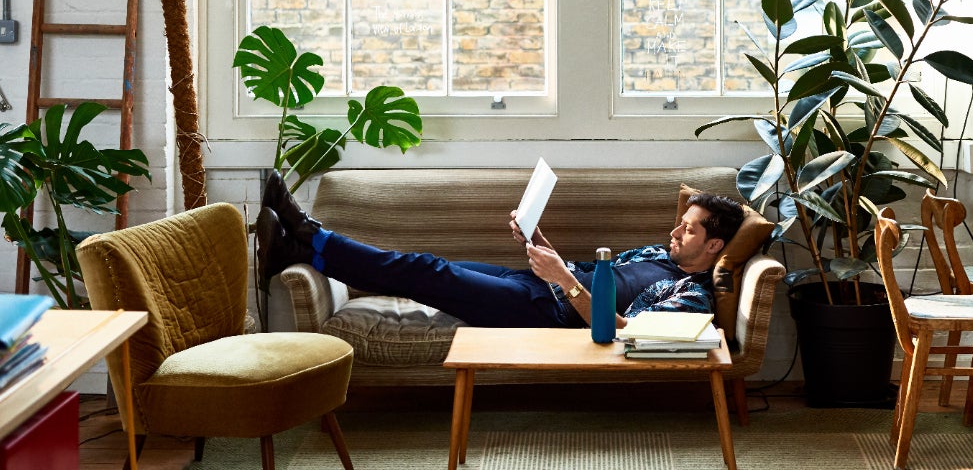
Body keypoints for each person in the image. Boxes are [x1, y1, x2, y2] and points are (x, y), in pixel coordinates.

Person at [255, 172, 744, 330]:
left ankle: (311, 236)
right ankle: (299, 252)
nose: (676, 232)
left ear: (715, 245)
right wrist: (537, 242)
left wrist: (562, 281)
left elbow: (627, 333)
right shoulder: (654, 254)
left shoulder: (691, 295)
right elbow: (587, 273)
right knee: (425, 268)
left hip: (541, 311)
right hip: (538, 284)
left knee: (427, 271)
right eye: (680, 224)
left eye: (689, 230)